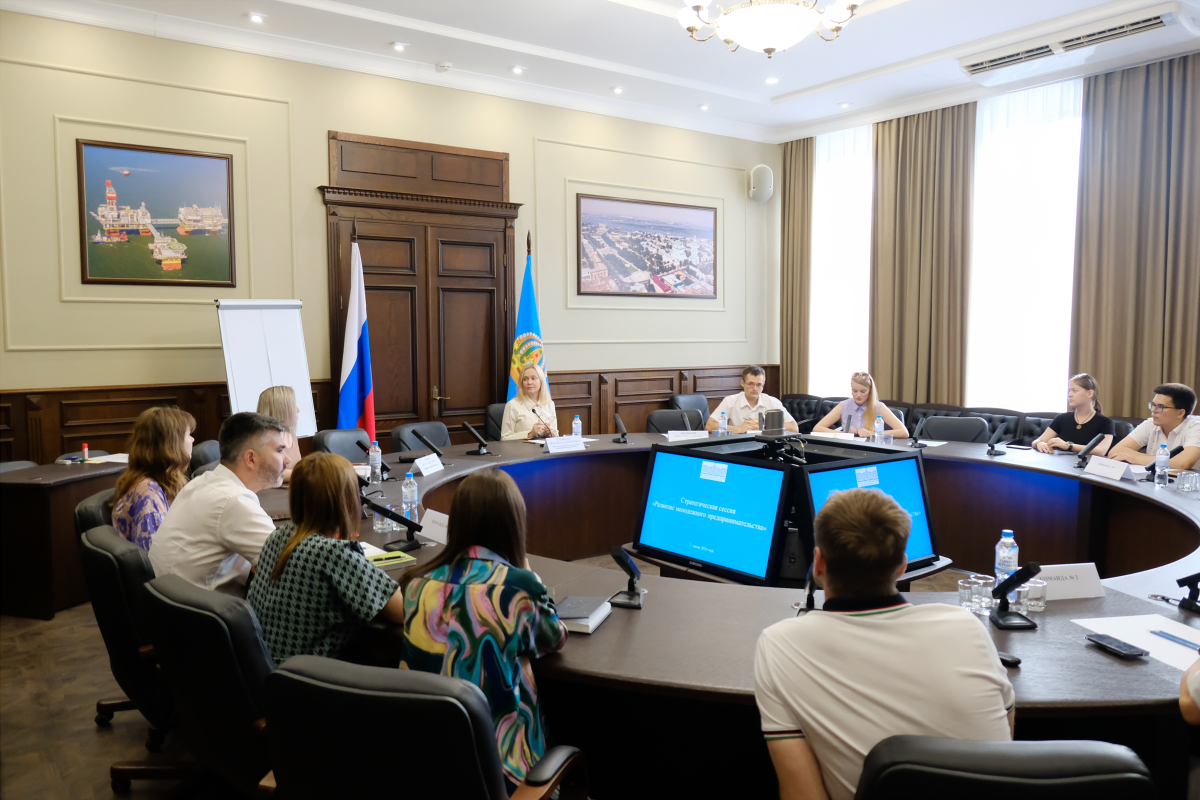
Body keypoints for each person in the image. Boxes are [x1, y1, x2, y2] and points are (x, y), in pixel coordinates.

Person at [754, 489, 1014, 800]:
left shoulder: (781, 644)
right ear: (902, 566)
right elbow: (1005, 744)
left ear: (818, 564)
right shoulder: (966, 626)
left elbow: (802, 793)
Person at [398, 469, 567, 793]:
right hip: (502, 774)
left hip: (426, 761)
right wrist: (529, 575)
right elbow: (554, 636)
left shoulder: (417, 583)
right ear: (514, 525)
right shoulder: (516, 587)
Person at [248, 452, 404, 663]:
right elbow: (400, 611)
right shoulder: (333, 554)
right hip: (310, 682)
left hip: (268, 670)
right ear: (348, 500)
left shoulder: (277, 536)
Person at [149, 412, 290, 595]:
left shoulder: (201, 482)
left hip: (168, 605)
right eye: (279, 450)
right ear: (251, 458)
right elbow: (290, 567)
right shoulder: (233, 501)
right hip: (201, 616)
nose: (287, 459)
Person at [110, 407, 195, 552]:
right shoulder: (148, 495)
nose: (193, 439)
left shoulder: (161, 483)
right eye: (189, 434)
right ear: (172, 444)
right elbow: (155, 559)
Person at [1108, 382, 1200, 470]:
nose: (1153, 410)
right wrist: (1167, 461)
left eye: (1160, 407)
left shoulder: (1196, 427)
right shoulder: (1150, 423)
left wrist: (1135, 458)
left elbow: (1183, 463)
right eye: (1153, 405)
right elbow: (1115, 452)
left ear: (1180, 413)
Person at [1033, 373, 1115, 455]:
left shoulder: (1105, 422)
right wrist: (1039, 443)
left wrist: (1069, 446)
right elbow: (1037, 441)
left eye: (1074, 391)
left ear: (1089, 393)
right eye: (1069, 391)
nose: (1069, 395)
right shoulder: (1061, 418)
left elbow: (1101, 451)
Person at [706, 365, 798, 434]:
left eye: (759, 385)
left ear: (763, 385)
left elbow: (794, 427)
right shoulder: (730, 401)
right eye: (751, 384)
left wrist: (765, 427)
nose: (754, 388)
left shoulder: (772, 402)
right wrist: (740, 429)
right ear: (743, 383)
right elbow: (709, 426)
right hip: (738, 445)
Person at [813, 372, 907, 438]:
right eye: (855, 391)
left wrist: (872, 433)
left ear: (870, 391)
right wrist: (842, 433)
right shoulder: (843, 405)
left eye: (863, 391)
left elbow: (904, 432)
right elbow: (817, 428)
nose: (858, 395)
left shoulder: (879, 406)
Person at [257, 385, 303, 482]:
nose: (298, 410)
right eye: (293, 405)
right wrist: (307, 474)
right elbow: (270, 474)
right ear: (281, 409)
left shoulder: (291, 435)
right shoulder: (261, 440)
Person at [501, 363, 558, 440]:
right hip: (522, 450)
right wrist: (529, 434)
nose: (529, 382)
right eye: (525, 379)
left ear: (541, 381)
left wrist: (551, 433)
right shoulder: (512, 405)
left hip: (545, 450)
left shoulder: (549, 404)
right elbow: (504, 438)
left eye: (533, 378)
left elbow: (556, 434)